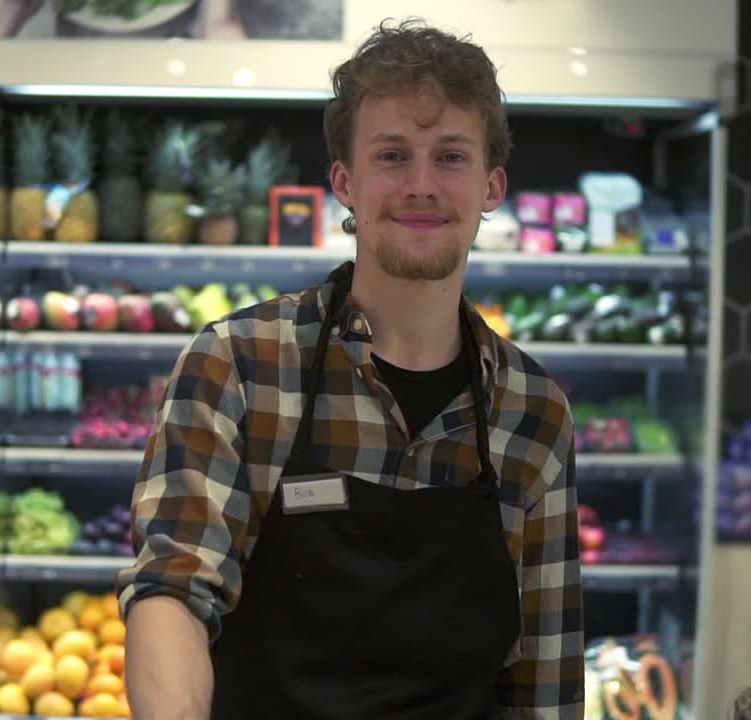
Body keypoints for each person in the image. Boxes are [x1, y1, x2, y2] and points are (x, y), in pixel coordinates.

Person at [118, 18, 584, 720]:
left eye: (450, 157)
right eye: (393, 156)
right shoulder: (239, 366)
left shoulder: (533, 412)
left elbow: (545, 680)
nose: (421, 185)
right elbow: (172, 589)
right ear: (344, 181)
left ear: (492, 187)